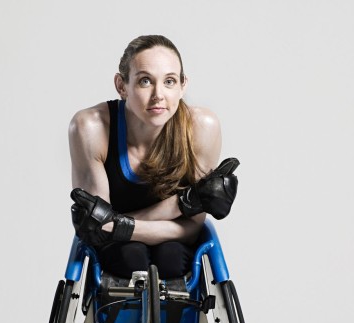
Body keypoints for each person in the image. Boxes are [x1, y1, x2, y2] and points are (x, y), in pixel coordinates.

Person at [69, 35, 238, 280]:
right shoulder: (92, 128)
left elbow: (191, 228)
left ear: (183, 86)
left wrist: (121, 225)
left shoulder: (201, 127)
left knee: (171, 260)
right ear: (121, 86)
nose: (158, 94)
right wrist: (182, 203)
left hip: (176, 240)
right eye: (145, 81)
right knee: (132, 258)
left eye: (169, 81)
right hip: (116, 249)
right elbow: (99, 230)